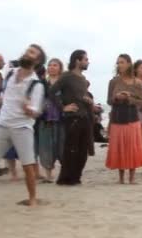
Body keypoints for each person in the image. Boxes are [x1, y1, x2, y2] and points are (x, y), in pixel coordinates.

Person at [0, 44, 47, 208]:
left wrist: (29, 109)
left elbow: (36, 111)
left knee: (28, 166)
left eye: (32, 52)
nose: (27, 53)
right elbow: (1, 98)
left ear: (38, 60)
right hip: (2, 124)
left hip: (22, 127)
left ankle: (33, 199)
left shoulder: (36, 84)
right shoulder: (9, 73)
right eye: (28, 50)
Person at [48, 50, 92, 186]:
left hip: (84, 117)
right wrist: (63, 107)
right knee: (71, 150)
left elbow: (82, 97)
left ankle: (76, 178)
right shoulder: (67, 76)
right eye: (85, 59)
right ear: (78, 61)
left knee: (82, 151)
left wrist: (89, 101)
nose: (88, 62)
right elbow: (51, 92)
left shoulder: (83, 79)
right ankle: (65, 179)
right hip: (72, 118)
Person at [105, 54, 142, 184]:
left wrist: (128, 98)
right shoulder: (113, 81)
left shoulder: (137, 83)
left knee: (132, 148)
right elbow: (109, 101)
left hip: (132, 119)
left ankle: (132, 178)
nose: (119, 65)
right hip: (117, 118)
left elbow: (141, 102)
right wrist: (117, 97)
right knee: (120, 148)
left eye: (121, 62)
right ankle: (121, 178)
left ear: (129, 64)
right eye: (117, 63)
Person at [37, 58, 64, 183]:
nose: (52, 67)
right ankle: (48, 175)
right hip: (45, 119)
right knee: (46, 148)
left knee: (62, 147)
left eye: (55, 65)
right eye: (50, 65)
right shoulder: (42, 83)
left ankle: (63, 173)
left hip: (61, 120)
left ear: (60, 68)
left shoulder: (64, 83)